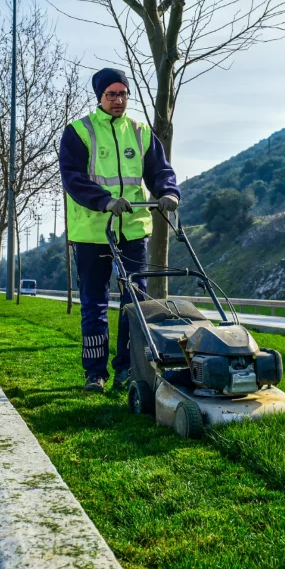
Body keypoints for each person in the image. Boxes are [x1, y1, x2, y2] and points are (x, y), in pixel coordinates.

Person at [59, 68, 180, 392]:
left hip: (133, 231)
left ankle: (127, 369)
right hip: (92, 233)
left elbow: (160, 171)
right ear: (99, 97)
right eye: (111, 94)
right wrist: (105, 201)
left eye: (123, 94)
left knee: (135, 302)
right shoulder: (78, 132)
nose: (118, 100)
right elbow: (73, 179)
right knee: (94, 304)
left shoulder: (140, 132)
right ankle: (95, 373)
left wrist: (168, 192)